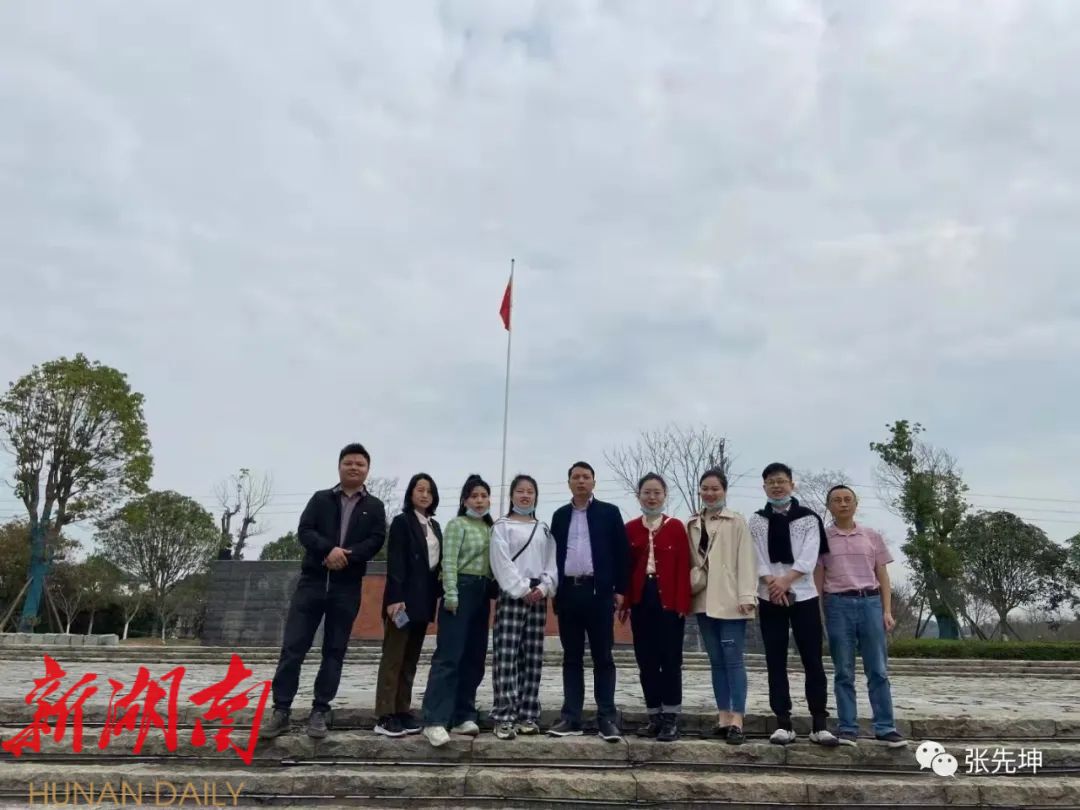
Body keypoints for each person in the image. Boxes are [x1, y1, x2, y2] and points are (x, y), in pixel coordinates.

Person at [261, 443, 387, 739]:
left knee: (334, 650)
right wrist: (328, 550)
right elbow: (305, 530)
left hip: (347, 586)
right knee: (293, 647)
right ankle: (281, 710)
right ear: (339, 466)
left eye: (360, 464)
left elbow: (376, 539)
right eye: (349, 463)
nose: (354, 467)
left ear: (367, 470)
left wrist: (347, 556)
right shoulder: (320, 499)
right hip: (312, 582)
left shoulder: (374, 506)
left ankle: (320, 709)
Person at [748, 462, 838, 747]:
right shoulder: (756, 521)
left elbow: (810, 556)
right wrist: (772, 583)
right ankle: (783, 723)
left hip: (804, 594)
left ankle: (819, 724)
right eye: (771, 482)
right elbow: (755, 556)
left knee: (813, 660)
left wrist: (786, 580)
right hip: (770, 596)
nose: (777, 486)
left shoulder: (808, 518)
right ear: (764, 487)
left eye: (782, 481)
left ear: (792, 484)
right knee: (775, 661)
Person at [815, 485, 906, 748]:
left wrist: (887, 610)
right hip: (837, 605)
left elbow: (883, 575)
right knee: (843, 671)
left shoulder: (871, 536)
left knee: (878, 669)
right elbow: (818, 579)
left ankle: (885, 727)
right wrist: (820, 615)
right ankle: (847, 727)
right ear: (829, 506)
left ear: (856, 504)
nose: (843, 504)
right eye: (837, 500)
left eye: (848, 499)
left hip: (870, 603)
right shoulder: (823, 538)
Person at [547, 461, 630, 742]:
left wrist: (620, 589)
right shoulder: (560, 516)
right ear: (569, 482)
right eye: (576, 477)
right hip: (569, 593)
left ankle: (606, 717)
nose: (581, 481)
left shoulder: (609, 513)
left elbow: (622, 553)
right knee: (571, 658)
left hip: (599, 593)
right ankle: (571, 717)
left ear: (594, 482)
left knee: (603, 657)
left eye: (586, 477)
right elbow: (552, 555)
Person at [420, 474, 496, 748]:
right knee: (449, 657)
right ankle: (435, 719)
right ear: (465, 500)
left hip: (482, 594)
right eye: (474, 496)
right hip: (459, 592)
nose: (479, 501)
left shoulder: (490, 528)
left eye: (484, 496)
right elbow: (449, 561)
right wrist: (451, 593)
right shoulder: (457, 525)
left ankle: (464, 713)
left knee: (474, 657)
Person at [686, 468, 757, 746]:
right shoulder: (692, 523)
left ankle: (738, 719)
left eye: (715, 488)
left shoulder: (736, 521)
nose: (710, 493)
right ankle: (723, 717)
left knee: (733, 659)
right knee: (716, 661)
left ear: (724, 491)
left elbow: (746, 560)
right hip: (703, 599)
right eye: (705, 488)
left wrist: (747, 595)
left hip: (731, 600)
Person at [620, 473, 690, 742]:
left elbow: (683, 567)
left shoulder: (676, 527)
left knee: (670, 660)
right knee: (646, 660)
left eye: (657, 492)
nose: (652, 497)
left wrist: (682, 602)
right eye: (647, 492)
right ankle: (654, 716)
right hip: (642, 600)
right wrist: (625, 601)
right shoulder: (630, 529)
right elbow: (626, 569)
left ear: (664, 495)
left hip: (669, 601)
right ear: (639, 496)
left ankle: (671, 717)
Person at [488, 474, 559, 740]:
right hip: (513, 592)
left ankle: (528, 713)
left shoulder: (543, 528)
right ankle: (504, 715)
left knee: (532, 656)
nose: (525, 495)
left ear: (536, 496)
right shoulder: (501, 526)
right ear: (512, 496)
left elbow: (551, 561)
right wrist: (521, 588)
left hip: (538, 594)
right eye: (520, 491)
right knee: (506, 656)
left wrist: (544, 587)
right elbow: (501, 561)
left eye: (530, 491)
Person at [373, 473, 443, 738]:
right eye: (419, 489)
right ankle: (385, 715)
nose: (424, 495)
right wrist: (394, 598)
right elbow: (396, 562)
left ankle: (402, 709)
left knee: (410, 659)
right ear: (411, 493)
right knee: (393, 657)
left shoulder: (435, 526)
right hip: (401, 602)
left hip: (423, 602)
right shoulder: (402, 522)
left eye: (429, 491)